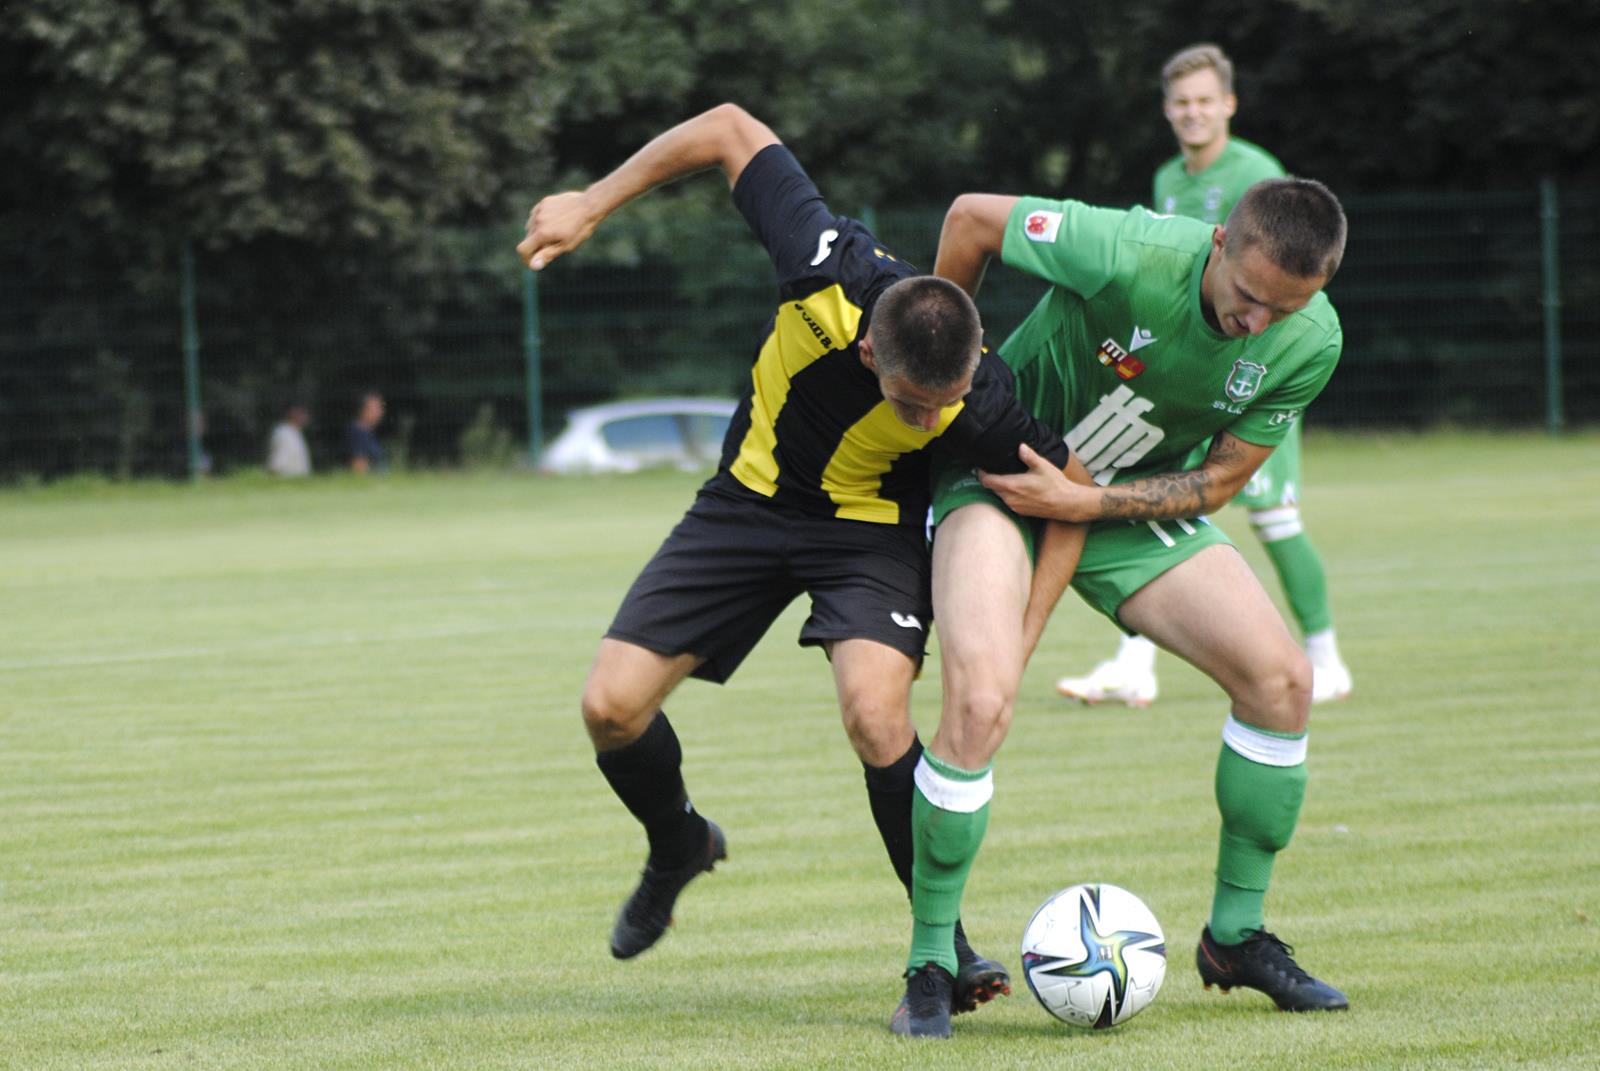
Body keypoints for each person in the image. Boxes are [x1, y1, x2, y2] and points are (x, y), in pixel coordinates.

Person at [515, 104, 1092, 1028]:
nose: (932, 422)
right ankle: (679, 843)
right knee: (609, 708)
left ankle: (939, 946)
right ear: (870, 351)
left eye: (945, 406)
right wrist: (591, 201)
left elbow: (1075, 499)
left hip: (867, 532)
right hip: (745, 503)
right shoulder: (824, 263)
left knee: (875, 713)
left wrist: (1025, 636)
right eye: (913, 407)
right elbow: (730, 127)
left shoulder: (975, 391)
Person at [891, 176, 1353, 1037]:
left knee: (1282, 681)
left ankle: (1236, 937)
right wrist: (955, 364)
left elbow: (1218, 481)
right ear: (1219, 242)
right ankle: (930, 962)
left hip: (1116, 508)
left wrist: (1090, 507)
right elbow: (968, 218)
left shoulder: (1310, 341)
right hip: (997, 478)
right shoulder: (1128, 250)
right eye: (1248, 297)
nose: (1258, 324)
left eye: (1282, 310)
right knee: (982, 701)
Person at [1056, 43, 1352, 709]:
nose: (1192, 114)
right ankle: (1136, 664)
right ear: (1168, 110)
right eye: (1181, 103)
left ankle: (1327, 657)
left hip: (1247, 371)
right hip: (1181, 372)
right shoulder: (1168, 177)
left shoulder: (1258, 171)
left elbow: (1289, 273)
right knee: (1151, 499)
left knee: (1275, 517)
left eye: (1204, 101)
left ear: (1229, 104)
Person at [267, 403, 312, 477]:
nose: (305, 417)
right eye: (301, 414)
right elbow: (279, 455)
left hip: (298, 478)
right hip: (285, 477)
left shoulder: (295, 431)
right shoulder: (283, 432)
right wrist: (274, 472)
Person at [347, 392, 387, 474]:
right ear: (363, 409)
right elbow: (359, 468)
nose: (381, 412)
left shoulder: (367, 432)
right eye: (376, 408)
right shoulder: (357, 434)